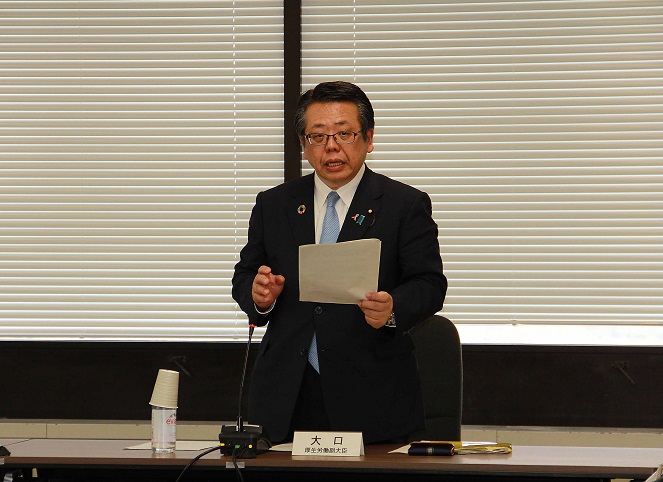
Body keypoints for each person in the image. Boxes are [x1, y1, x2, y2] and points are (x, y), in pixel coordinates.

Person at [232, 80, 447, 444]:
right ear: (304, 145)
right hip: (287, 393)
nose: (331, 146)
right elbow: (245, 275)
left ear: (369, 138)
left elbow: (429, 284)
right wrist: (259, 295)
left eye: (344, 134)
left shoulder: (403, 205)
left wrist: (392, 308)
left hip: (372, 392)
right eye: (318, 136)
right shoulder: (274, 204)